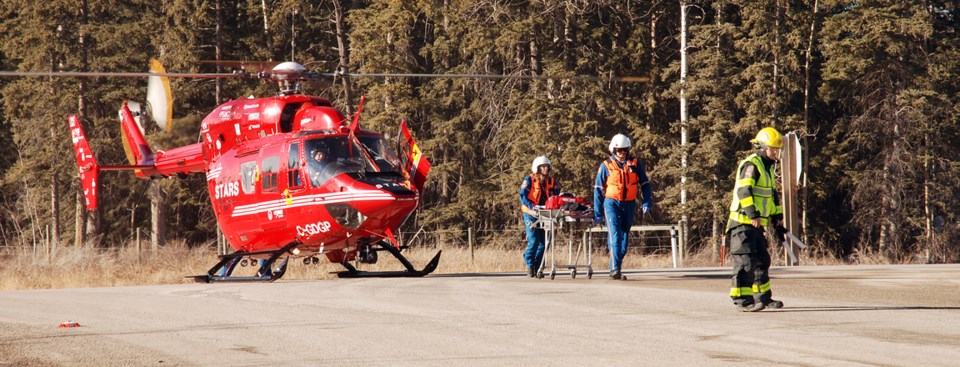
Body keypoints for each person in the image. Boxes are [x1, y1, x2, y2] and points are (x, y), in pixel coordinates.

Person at [726, 127, 787, 312]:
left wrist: (777, 219)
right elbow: (744, 191)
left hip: (757, 224)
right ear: (761, 147)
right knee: (745, 262)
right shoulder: (752, 165)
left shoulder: (767, 168)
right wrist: (753, 214)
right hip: (742, 223)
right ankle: (742, 301)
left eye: (777, 149)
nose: (776, 153)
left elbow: (771, 196)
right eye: (773, 149)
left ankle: (762, 298)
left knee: (761, 260)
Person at [593, 134, 652, 280]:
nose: (622, 153)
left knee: (624, 237)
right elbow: (598, 189)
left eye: (624, 150)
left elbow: (645, 184)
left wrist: (647, 201)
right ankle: (615, 269)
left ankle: (617, 265)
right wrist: (597, 211)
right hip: (611, 203)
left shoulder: (635, 163)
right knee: (615, 235)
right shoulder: (605, 165)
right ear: (613, 150)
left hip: (629, 203)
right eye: (619, 150)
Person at [519, 156, 560, 277]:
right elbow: (523, 196)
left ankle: (537, 267)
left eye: (547, 166)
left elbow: (557, 196)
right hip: (531, 213)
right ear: (537, 168)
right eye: (542, 167)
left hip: (546, 214)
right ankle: (530, 264)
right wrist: (532, 207)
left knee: (544, 242)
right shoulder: (529, 180)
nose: (545, 169)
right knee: (534, 241)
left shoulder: (552, 181)